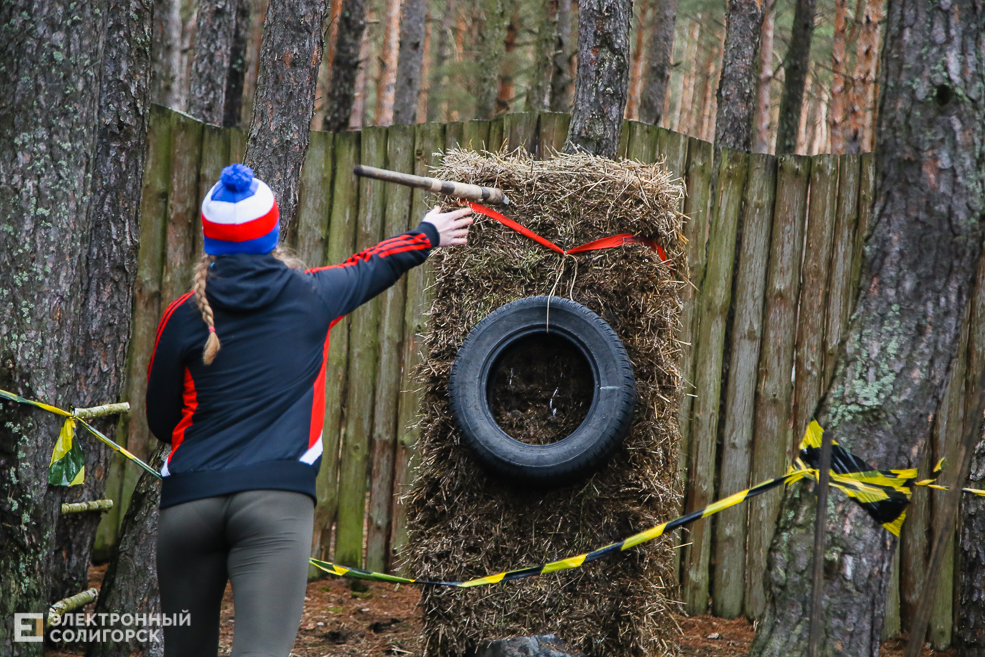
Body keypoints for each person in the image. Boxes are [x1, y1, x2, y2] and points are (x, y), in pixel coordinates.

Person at [146, 163, 472, 657]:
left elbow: (160, 419)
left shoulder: (180, 315)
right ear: (272, 233)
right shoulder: (312, 294)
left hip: (187, 505)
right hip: (275, 510)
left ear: (210, 240)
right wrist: (428, 233)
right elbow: (373, 265)